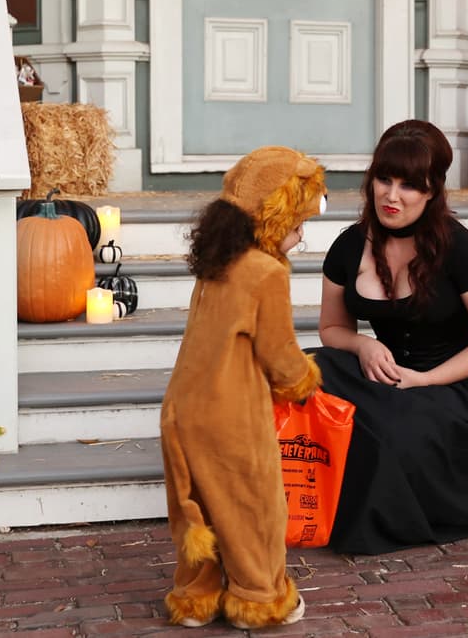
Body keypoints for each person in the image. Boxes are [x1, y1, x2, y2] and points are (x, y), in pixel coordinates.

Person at [311, 120, 468, 554]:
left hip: (454, 391)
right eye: (384, 179)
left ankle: (389, 517)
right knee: (304, 373)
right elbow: (332, 329)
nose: (391, 195)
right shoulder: (349, 246)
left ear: (431, 191)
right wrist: (363, 344)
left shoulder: (461, 248)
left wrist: (426, 380)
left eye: (409, 185)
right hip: (385, 377)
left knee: (389, 424)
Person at [160, 146, 327, 629]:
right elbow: (278, 352)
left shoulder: (217, 264)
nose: (301, 234)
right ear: (275, 217)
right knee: (253, 506)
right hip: (232, 413)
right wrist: (303, 383)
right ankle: (260, 597)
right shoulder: (265, 272)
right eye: (299, 222)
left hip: (183, 407)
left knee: (201, 508)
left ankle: (196, 596)